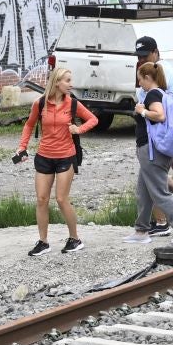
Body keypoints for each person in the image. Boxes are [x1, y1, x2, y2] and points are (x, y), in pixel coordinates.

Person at [13, 66, 100, 256]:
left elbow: (93, 120)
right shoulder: (40, 103)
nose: (71, 84)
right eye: (67, 81)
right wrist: (22, 146)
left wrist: (79, 130)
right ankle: (43, 242)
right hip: (44, 155)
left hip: (65, 156)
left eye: (71, 80)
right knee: (41, 199)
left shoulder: (73, 104)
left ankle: (75, 239)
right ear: (57, 82)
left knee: (61, 199)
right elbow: (28, 125)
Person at [130, 59, 173, 246]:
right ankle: (141, 230)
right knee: (143, 191)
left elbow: (159, 116)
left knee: (159, 192)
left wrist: (142, 111)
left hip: (151, 151)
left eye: (140, 80)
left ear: (148, 77)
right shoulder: (165, 94)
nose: (139, 84)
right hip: (157, 150)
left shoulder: (152, 95)